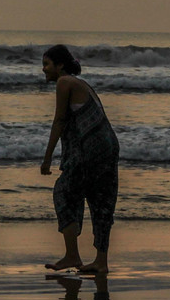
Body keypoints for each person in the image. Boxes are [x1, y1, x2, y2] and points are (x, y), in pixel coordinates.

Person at [40, 44, 120, 275]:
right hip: (107, 146)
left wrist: (47, 159)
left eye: (47, 64)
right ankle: (101, 261)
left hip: (93, 148)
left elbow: (60, 121)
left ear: (60, 65)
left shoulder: (64, 82)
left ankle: (72, 255)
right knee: (100, 201)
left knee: (63, 192)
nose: (44, 69)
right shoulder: (80, 83)